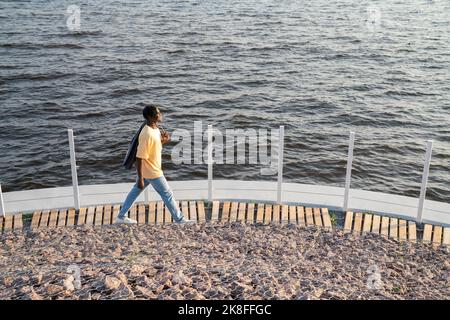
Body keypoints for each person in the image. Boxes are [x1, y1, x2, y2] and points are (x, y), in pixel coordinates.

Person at [115, 104, 194, 224]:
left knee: (135, 192)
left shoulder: (154, 128)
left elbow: (154, 147)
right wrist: (140, 178)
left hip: (149, 169)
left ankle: (121, 217)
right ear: (151, 117)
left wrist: (164, 141)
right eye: (158, 113)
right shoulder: (146, 134)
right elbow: (140, 157)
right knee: (167, 194)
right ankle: (180, 219)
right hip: (152, 171)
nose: (160, 114)